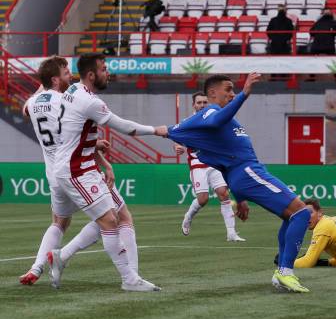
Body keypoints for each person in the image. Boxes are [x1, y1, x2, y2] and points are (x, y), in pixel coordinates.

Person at [164, 74, 312, 293]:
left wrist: (240, 198)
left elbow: (224, 160)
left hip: (244, 174)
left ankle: (282, 271)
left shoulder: (226, 120)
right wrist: (245, 93)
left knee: (292, 216)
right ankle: (285, 272)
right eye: (229, 89)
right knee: (302, 213)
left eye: (234, 90)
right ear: (212, 93)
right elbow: (196, 135)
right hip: (247, 172)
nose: (232, 93)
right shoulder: (213, 115)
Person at [47, 53, 167, 292]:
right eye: (103, 69)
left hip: (84, 165)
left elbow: (74, 129)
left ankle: (63, 256)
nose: (108, 72)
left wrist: (96, 149)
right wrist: (157, 130)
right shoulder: (90, 101)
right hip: (75, 170)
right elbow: (126, 127)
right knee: (110, 220)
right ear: (91, 75)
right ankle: (129, 278)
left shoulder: (73, 91)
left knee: (120, 215)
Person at [18, 57, 106, 285]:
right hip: (74, 169)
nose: (71, 76)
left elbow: (26, 110)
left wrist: (43, 85)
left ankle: (36, 268)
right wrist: (98, 150)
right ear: (56, 79)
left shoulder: (34, 102)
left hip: (53, 172)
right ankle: (61, 256)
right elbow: (76, 135)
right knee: (110, 215)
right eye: (66, 73)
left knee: (59, 222)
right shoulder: (67, 101)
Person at [175, 92, 245, 241]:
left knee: (224, 194)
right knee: (203, 199)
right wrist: (177, 147)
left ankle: (231, 233)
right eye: (199, 103)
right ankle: (188, 217)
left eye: (204, 102)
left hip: (214, 163)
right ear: (193, 105)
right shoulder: (188, 122)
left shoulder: (214, 119)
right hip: (197, 165)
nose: (202, 105)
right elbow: (176, 137)